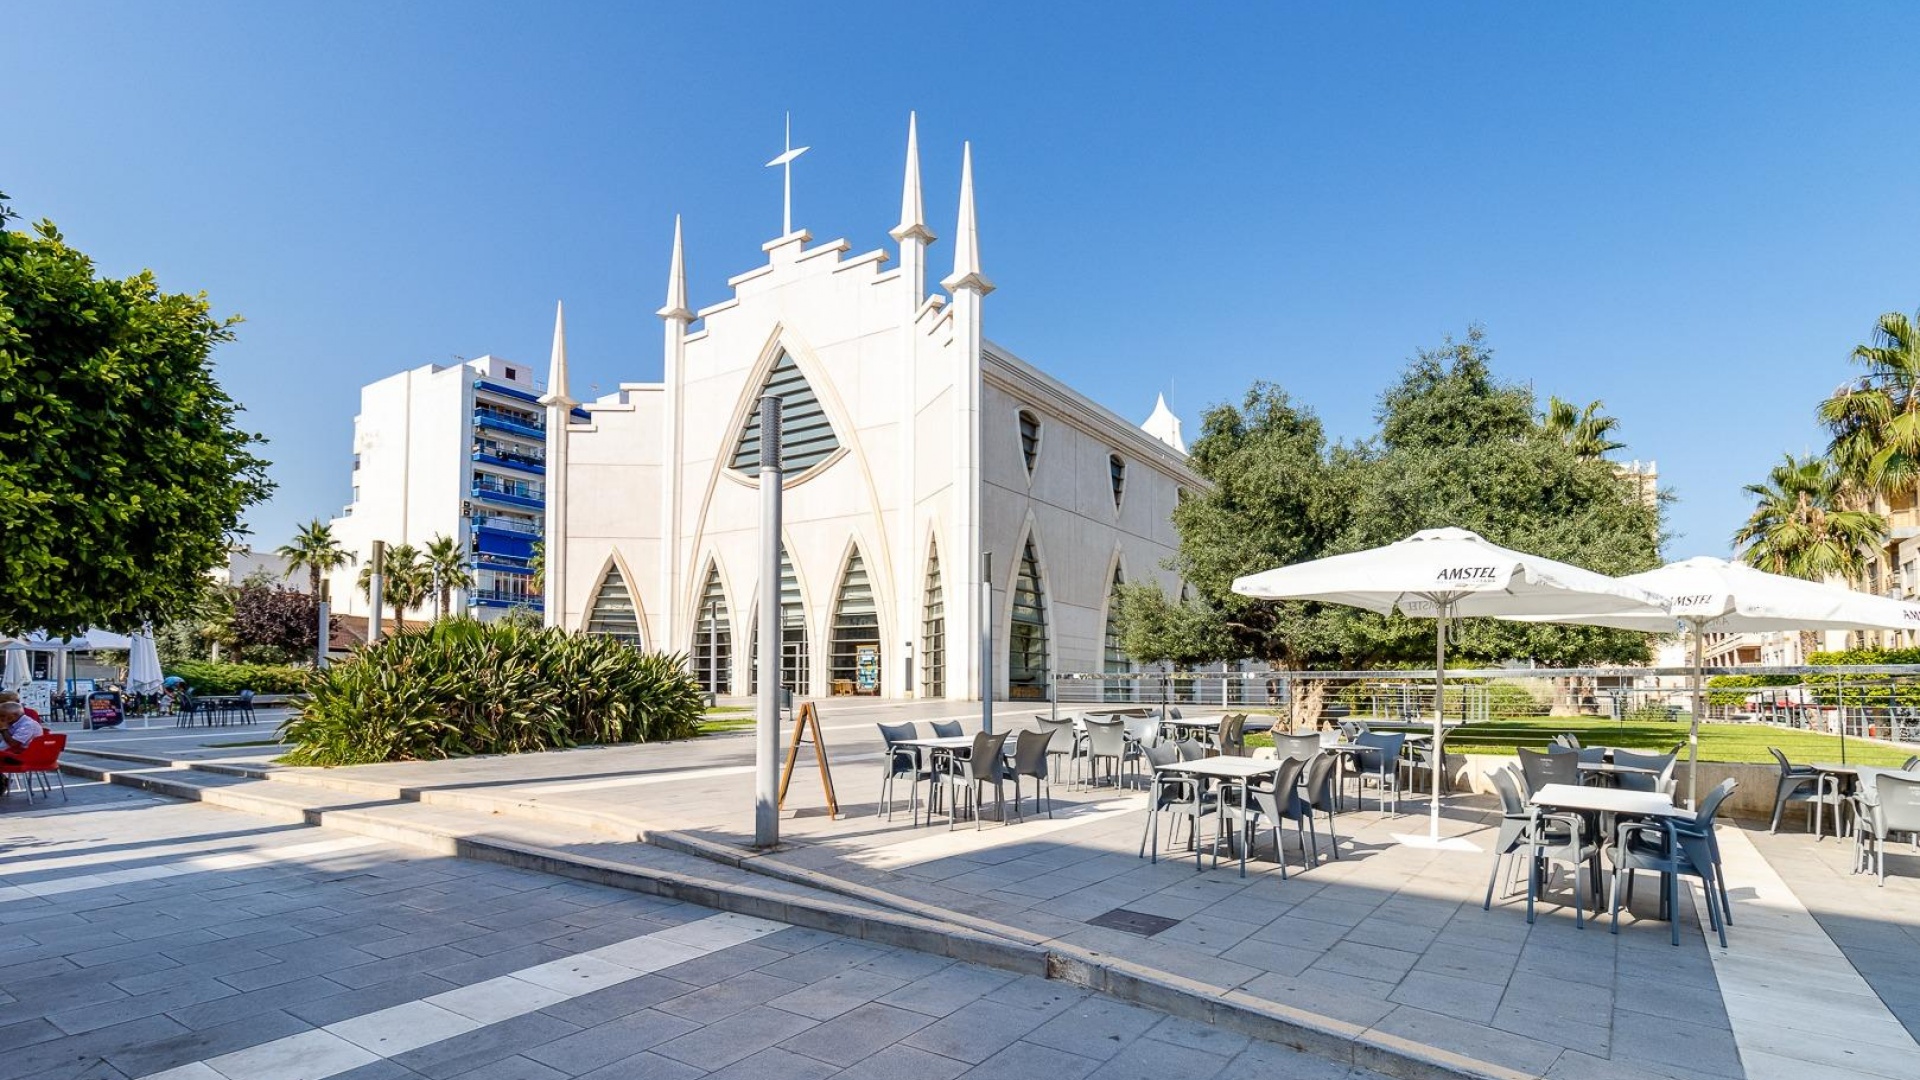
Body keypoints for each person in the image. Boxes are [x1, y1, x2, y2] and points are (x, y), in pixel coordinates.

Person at [1, 701, 46, 795]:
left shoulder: (27, 725)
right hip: (14, 753)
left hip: (24, 757)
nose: (1, 718)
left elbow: (13, 743)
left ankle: (2, 783)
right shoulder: (13, 722)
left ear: (14, 715)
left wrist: (4, 729)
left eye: (3, 716)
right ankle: (3, 781)